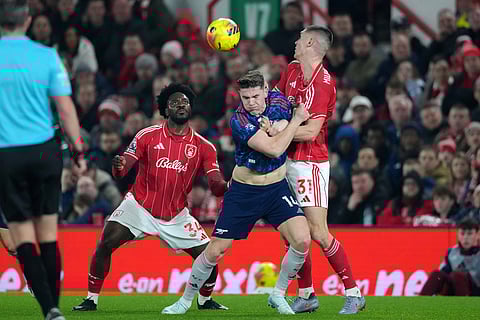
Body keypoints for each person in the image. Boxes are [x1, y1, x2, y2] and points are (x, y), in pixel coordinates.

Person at [162, 70, 312, 315]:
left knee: (302, 240)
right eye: (245, 98)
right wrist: (293, 122)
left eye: (255, 95)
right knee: (216, 250)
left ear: (266, 90)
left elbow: (288, 122)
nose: (251, 102)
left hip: (276, 188)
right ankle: (185, 300)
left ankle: (278, 294)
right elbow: (274, 149)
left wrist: (281, 125)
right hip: (245, 191)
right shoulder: (239, 121)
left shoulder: (279, 101)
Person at [73, 83, 229, 312]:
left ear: (191, 108)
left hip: (177, 214)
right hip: (140, 206)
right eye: (174, 102)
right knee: (106, 241)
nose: (181, 105)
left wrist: (226, 185)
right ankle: (91, 299)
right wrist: (118, 167)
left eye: (185, 102)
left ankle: (205, 301)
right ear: (165, 110)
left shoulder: (204, 147)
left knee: (209, 256)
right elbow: (123, 169)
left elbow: (215, 185)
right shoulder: (147, 135)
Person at [0, 1, 86, 320]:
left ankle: (48, 308)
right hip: (44, 153)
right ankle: (55, 309)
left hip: (7, 156)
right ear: (27, 20)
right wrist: (78, 153)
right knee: (48, 234)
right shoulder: (47, 56)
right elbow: (66, 110)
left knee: (22, 237)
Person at [273, 25, 366, 314]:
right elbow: (276, 99)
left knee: (317, 232)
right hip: (285, 160)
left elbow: (312, 131)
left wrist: (279, 132)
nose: (296, 42)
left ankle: (354, 292)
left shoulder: (323, 83)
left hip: (309, 163)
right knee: (291, 232)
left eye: (300, 38)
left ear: (310, 42)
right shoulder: (291, 70)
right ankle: (307, 293)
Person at [420, 218, 480, 296]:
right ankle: (421, 303)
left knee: (457, 275)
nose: (465, 237)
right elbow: (443, 274)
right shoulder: (452, 253)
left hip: (475, 293)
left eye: (469, 234)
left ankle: (464, 305)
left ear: (478, 235)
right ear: (458, 235)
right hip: (454, 289)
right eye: (462, 233)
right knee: (437, 275)